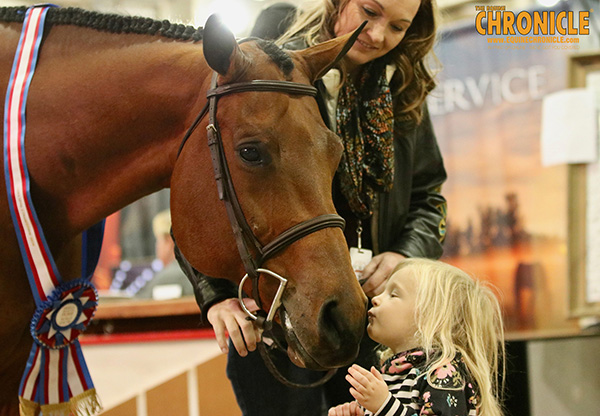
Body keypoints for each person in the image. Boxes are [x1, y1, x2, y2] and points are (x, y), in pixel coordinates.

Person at [185, 0, 448, 414]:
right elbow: (205, 189)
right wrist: (217, 296)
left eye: (398, 26)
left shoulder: (403, 89)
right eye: (369, 11)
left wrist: (404, 256)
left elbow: (430, 198)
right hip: (276, 318)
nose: (379, 35)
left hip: (374, 321)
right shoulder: (269, 64)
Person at [329, 258, 505, 416]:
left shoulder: (443, 375)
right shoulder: (392, 375)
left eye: (393, 294)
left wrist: (384, 406)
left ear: (430, 317)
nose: (376, 299)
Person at [135, 210, 194, 299]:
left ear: (169, 241)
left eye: (158, 241)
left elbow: (140, 306)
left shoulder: (170, 276)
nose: (157, 247)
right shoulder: (197, 272)